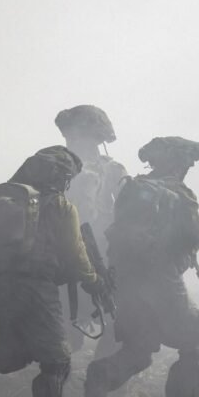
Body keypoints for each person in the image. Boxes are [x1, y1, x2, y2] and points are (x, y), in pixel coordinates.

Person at [0, 146, 102, 397]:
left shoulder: (3, 201)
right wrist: (93, 281)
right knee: (57, 361)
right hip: (38, 290)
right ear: (61, 176)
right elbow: (76, 253)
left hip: (0, 288)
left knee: (14, 349)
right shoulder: (61, 206)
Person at [84, 136, 199, 397]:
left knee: (139, 348)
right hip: (163, 282)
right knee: (193, 346)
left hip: (125, 282)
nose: (188, 169)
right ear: (178, 164)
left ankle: (102, 374)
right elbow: (193, 237)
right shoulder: (180, 195)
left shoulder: (133, 189)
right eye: (187, 164)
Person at [54, 105, 127, 352]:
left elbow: (128, 209)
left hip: (91, 253)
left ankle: (97, 371)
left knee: (107, 323)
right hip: (81, 255)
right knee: (72, 329)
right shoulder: (62, 167)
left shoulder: (109, 168)